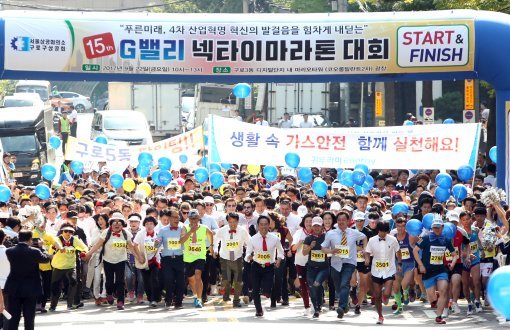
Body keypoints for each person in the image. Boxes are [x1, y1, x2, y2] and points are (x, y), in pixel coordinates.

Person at [85, 212, 142, 310]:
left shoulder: (126, 233)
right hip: (108, 260)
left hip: (121, 260)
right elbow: (97, 245)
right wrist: (88, 254)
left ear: (123, 224)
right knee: (109, 281)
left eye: (119, 222)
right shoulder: (106, 232)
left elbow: (131, 247)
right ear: (110, 223)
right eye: (114, 222)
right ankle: (109, 294)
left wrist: (138, 257)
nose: (116, 224)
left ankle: (120, 301)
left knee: (120, 281)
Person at [321, 211, 367, 319]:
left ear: (348, 221)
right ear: (337, 221)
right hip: (335, 263)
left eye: (343, 220)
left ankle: (341, 307)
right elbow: (323, 248)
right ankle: (345, 303)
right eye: (339, 220)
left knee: (344, 284)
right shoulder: (331, 233)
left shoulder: (353, 232)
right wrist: (331, 251)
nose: (341, 222)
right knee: (338, 287)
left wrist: (365, 249)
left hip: (349, 262)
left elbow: (364, 237)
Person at [413, 216, 457, 325]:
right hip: (427, 271)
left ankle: (439, 316)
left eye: (439, 227)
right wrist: (421, 265)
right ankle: (435, 298)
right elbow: (415, 251)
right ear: (432, 227)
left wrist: (452, 263)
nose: (437, 229)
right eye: (434, 227)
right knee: (431, 298)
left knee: (444, 290)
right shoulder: (426, 238)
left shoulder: (446, 240)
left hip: (441, 270)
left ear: (442, 227)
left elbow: (454, 255)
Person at [4, 230, 51, 330]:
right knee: (29, 318)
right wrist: (42, 247)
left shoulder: (9, 251)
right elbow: (46, 259)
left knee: (13, 317)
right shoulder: (34, 251)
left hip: (14, 288)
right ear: (30, 239)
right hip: (31, 288)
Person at [245, 215, 284, 317]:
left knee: (267, 289)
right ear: (258, 226)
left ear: (269, 225)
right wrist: (249, 257)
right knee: (255, 289)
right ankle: (258, 310)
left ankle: (268, 293)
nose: (263, 227)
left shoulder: (274, 238)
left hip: (269, 267)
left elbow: (281, 251)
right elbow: (247, 253)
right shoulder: (252, 239)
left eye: (265, 224)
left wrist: (279, 259)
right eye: (261, 225)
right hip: (256, 266)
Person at [365, 221, 401, 325]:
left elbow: (398, 251)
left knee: (387, 293)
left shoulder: (393, 240)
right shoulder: (372, 240)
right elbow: (367, 251)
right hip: (376, 270)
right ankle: (380, 316)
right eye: (381, 232)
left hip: (389, 269)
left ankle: (385, 295)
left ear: (387, 231)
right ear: (378, 231)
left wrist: (399, 263)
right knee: (377, 295)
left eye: (385, 232)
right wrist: (367, 259)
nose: (383, 234)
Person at [213, 212, 250, 307]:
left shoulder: (242, 231)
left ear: (238, 221)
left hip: (238, 258)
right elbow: (215, 241)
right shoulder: (222, 230)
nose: (233, 224)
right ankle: (226, 293)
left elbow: (249, 243)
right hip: (224, 258)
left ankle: (236, 300)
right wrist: (215, 250)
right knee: (226, 280)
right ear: (227, 222)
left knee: (238, 281)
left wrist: (249, 254)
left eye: (235, 222)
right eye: (230, 222)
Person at [180, 209, 214, 308]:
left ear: (199, 218)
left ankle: (199, 299)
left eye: (195, 218)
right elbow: (181, 241)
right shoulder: (185, 228)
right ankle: (195, 295)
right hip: (189, 256)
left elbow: (210, 234)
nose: (194, 221)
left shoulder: (204, 228)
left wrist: (211, 246)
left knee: (198, 275)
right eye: (191, 219)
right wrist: (191, 231)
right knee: (191, 279)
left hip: (200, 255)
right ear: (189, 219)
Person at [156, 208, 185, 309]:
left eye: (178, 217)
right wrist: (156, 242)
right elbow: (157, 243)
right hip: (167, 259)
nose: (177, 219)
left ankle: (179, 301)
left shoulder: (183, 228)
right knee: (168, 279)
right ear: (169, 218)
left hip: (180, 258)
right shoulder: (163, 230)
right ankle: (168, 299)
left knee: (181, 281)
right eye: (174, 217)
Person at [302, 216, 328, 318]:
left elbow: (332, 249)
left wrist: (326, 249)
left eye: (318, 225)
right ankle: (317, 308)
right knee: (312, 287)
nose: (316, 228)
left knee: (317, 284)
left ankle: (319, 303)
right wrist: (310, 247)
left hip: (323, 268)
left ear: (322, 226)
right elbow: (304, 252)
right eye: (314, 226)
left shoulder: (326, 237)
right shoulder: (308, 238)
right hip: (311, 268)